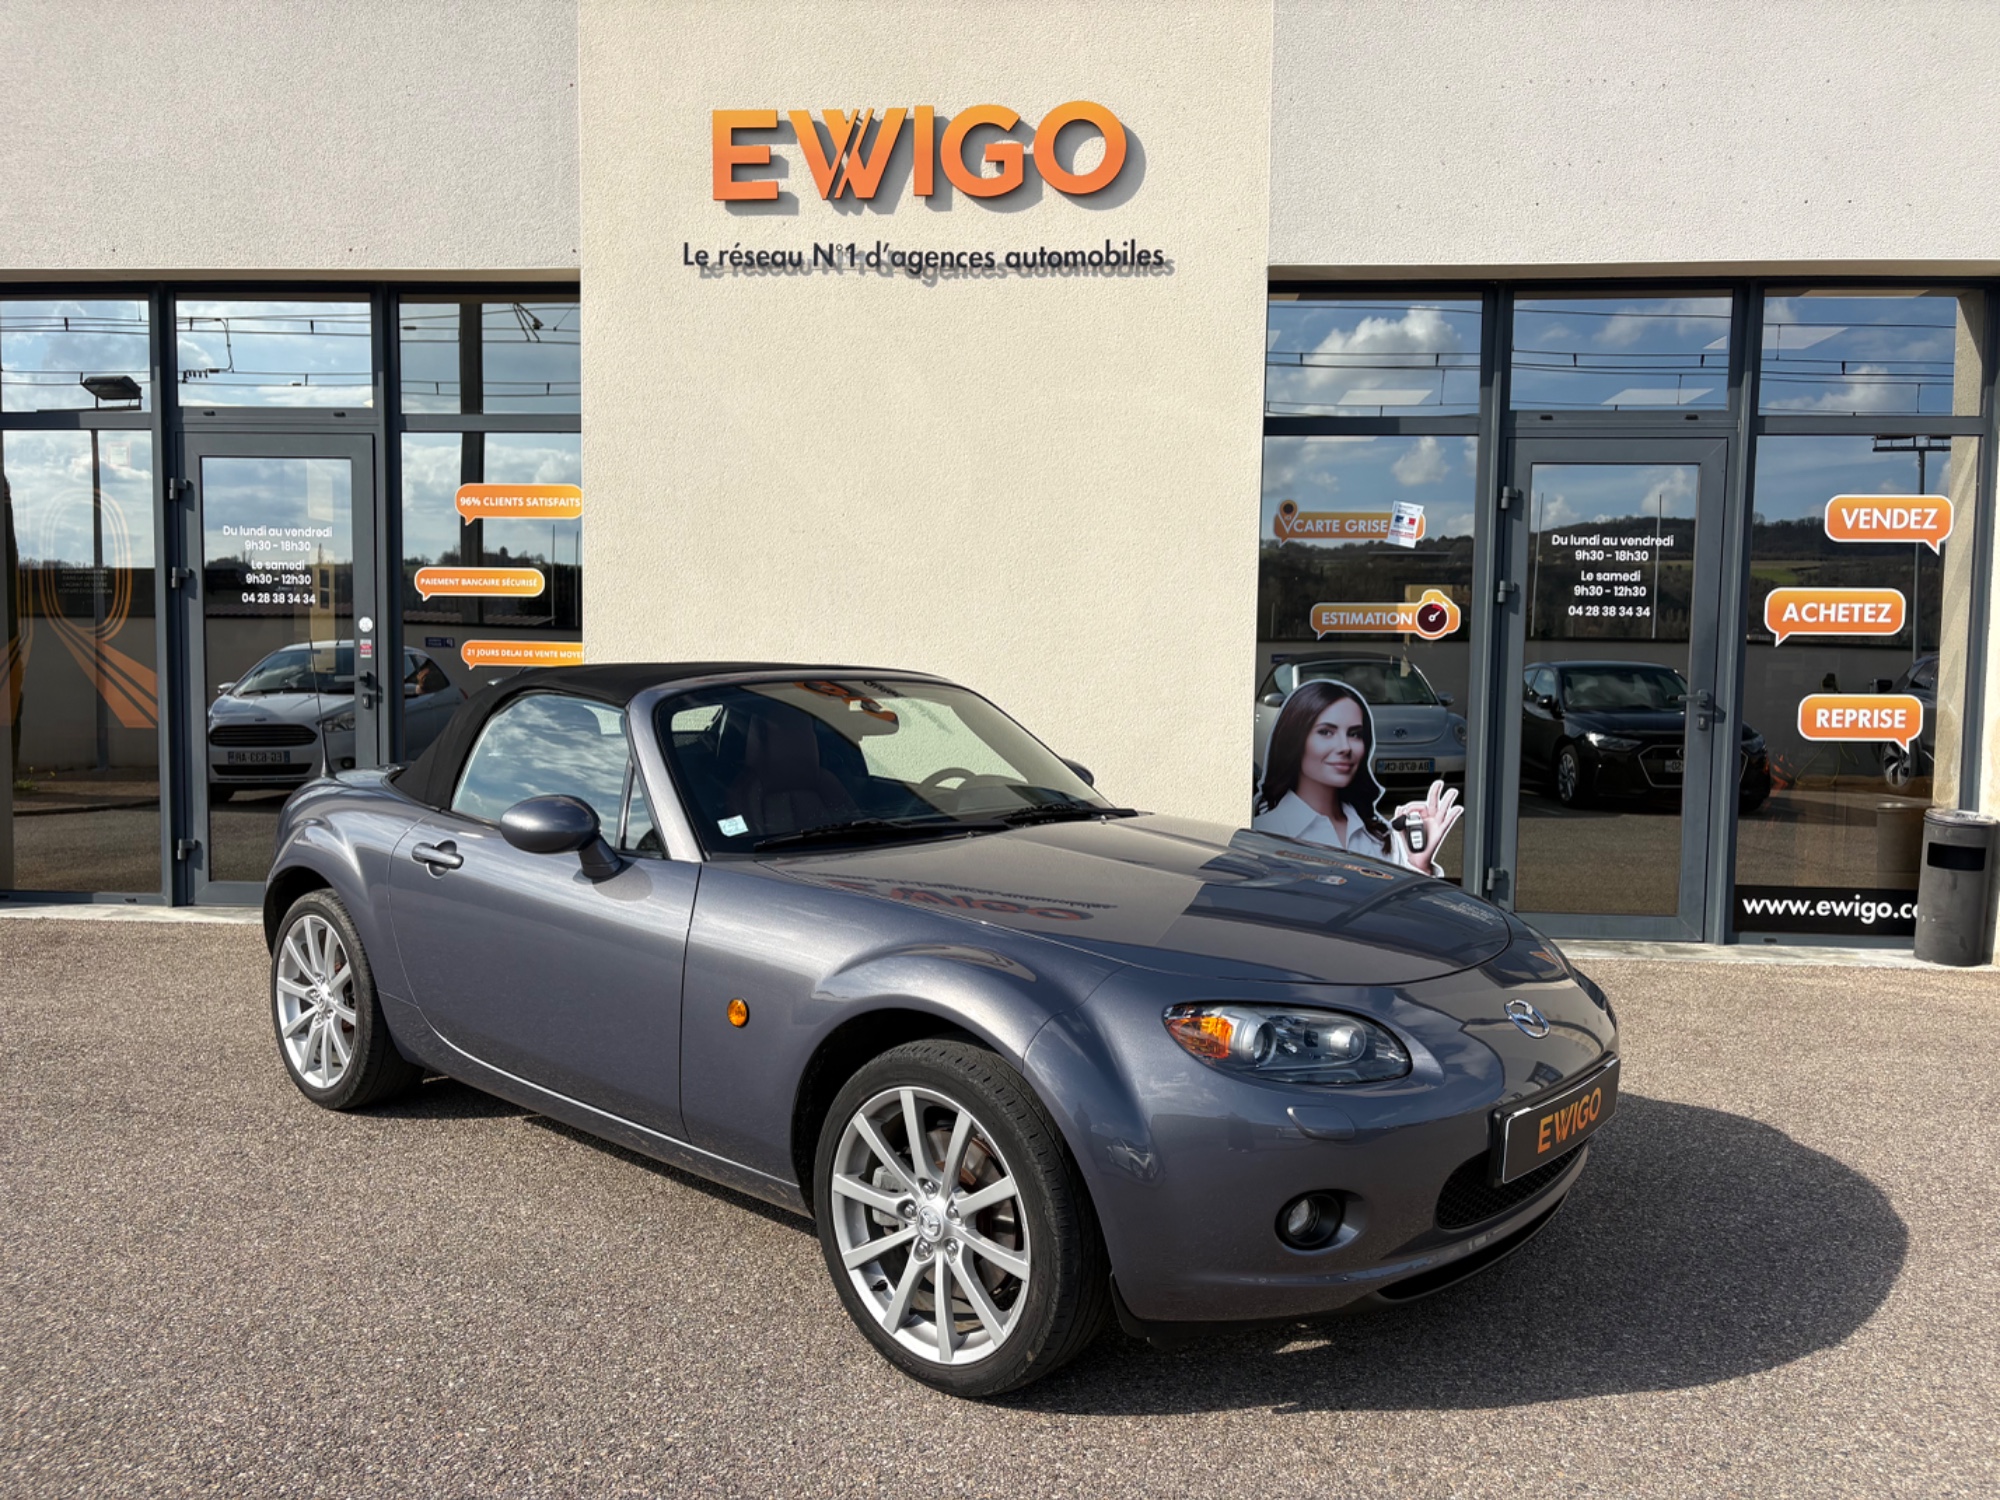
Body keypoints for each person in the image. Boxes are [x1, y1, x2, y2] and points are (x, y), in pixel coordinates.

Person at [1253, 677, 1461, 876]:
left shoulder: (1379, 837)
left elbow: (1402, 901)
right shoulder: (1266, 833)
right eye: (1326, 732)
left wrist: (1418, 865)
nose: (1345, 747)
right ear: (1294, 740)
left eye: (1355, 734)